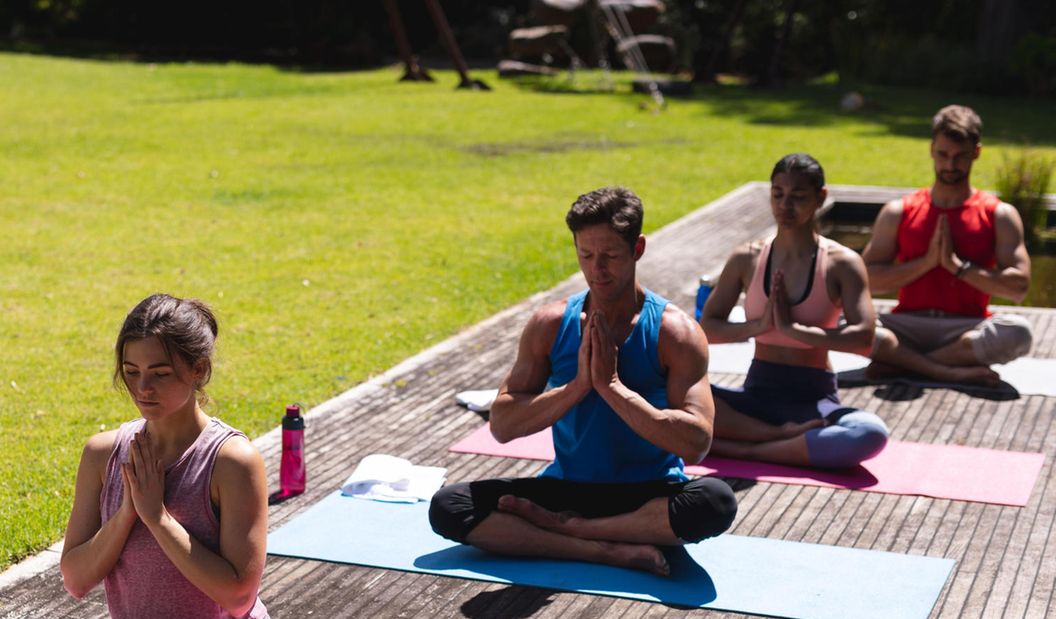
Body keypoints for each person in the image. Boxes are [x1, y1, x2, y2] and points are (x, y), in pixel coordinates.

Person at [0, 294, 300, 619]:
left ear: (199, 370)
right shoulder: (103, 454)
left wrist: (158, 517)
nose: (143, 388)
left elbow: (237, 593)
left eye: (161, 374)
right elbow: (77, 578)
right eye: (131, 372)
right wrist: (128, 510)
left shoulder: (231, 460)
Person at [429, 187, 737, 577]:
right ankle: (602, 550)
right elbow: (503, 426)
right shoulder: (551, 324)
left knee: (715, 501)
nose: (597, 270)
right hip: (567, 488)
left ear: (637, 248)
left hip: (649, 496)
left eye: (609, 256)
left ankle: (578, 531)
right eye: (585, 255)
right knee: (449, 506)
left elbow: (696, 443)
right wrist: (577, 387)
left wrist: (613, 388)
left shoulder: (674, 333)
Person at [699, 153, 889, 469]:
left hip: (813, 403)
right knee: (661, 388)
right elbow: (707, 328)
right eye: (778, 195)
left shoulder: (842, 263)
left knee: (870, 433)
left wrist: (794, 331)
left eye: (798, 197)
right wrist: (757, 326)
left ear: (821, 198)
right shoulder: (747, 258)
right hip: (755, 398)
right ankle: (779, 438)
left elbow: (863, 338)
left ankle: (746, 449)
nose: (785, 206)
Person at [863, 104, 1033, 385]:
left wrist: (957, 266)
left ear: (976, 152)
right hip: (907, 325)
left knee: (1019, 332)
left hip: (966, 329)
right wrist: (927, 263)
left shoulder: (998, 214)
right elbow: (866, 280)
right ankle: (945, 369)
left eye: (960, 156)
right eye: (943, 154)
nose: (950, 165)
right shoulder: (899, 211)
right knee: (837, 319)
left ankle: (903, 362)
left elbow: (1019, 288)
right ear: (931, 149)